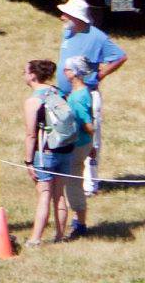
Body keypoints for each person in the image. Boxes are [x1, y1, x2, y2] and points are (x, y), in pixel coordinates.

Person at [56, 0, 125, 197]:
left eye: (66, 14)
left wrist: (101, 74)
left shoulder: (98, 37)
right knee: (70, 135)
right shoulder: (68, 33)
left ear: (76, 17)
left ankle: (90, 184)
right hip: (67, 95)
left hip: (86, 95)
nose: (62, 17)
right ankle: (72, 176)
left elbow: (120, 56)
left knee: (90, 138)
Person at [22, 57, 78, 245]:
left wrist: (28, 161)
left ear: (32, 76)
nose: (23, 74)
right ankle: (60, 236)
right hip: (66, 148)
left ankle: (35, 238)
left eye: (25, 71)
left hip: (45, 153)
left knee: (44, 195)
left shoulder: (33, 101)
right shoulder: (58, 92)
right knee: (59, 194)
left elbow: (30, 135)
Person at [60, 56, 98, 239]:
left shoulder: (76, 99)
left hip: (77, 145)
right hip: (85, 143)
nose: (64, 72)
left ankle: (80, 223)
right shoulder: (86, 92)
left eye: (67, 69)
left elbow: (87, 123)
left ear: (75, 73)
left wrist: (91, 138)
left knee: (73, 184)